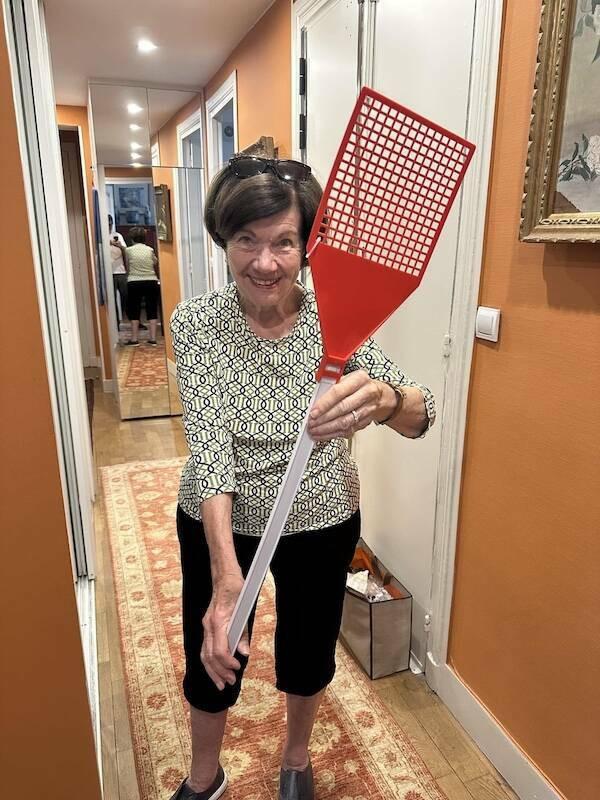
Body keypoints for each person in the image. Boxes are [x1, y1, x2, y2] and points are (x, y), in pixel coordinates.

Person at [169, 155, 436, 800]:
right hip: (221, 520)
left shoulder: (339, 319)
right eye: (247, 240)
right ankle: (205, 775)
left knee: (308, 648)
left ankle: (295, 758)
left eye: (284, 242)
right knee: (214, 644)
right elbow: (211, 453)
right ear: (223, 240)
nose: (265, 262)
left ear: (307, 245)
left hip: (321, 516)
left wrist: (387, 400)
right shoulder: (196, 323)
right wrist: (227, 577)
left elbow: (420, 416)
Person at [124, 226, 160, 346]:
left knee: (134, 309)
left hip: (134, 281)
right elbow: (155, 262)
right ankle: (153, 339)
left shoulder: (128, 250)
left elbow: (128, 266)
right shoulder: (149, 249)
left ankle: (134, 339)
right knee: (152, 308)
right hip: (151, 280)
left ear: (132, 238)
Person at [108, 214, 127, 328]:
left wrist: (119, 245)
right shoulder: (101, 237)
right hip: (109, 273)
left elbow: (125, 250)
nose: (109, 226)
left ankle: (132, 319)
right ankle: (116, 324)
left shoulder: (117, 235)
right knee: (112, 299)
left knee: (126, 296)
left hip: (120, 271)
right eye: (108, 224)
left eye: (110, 224)